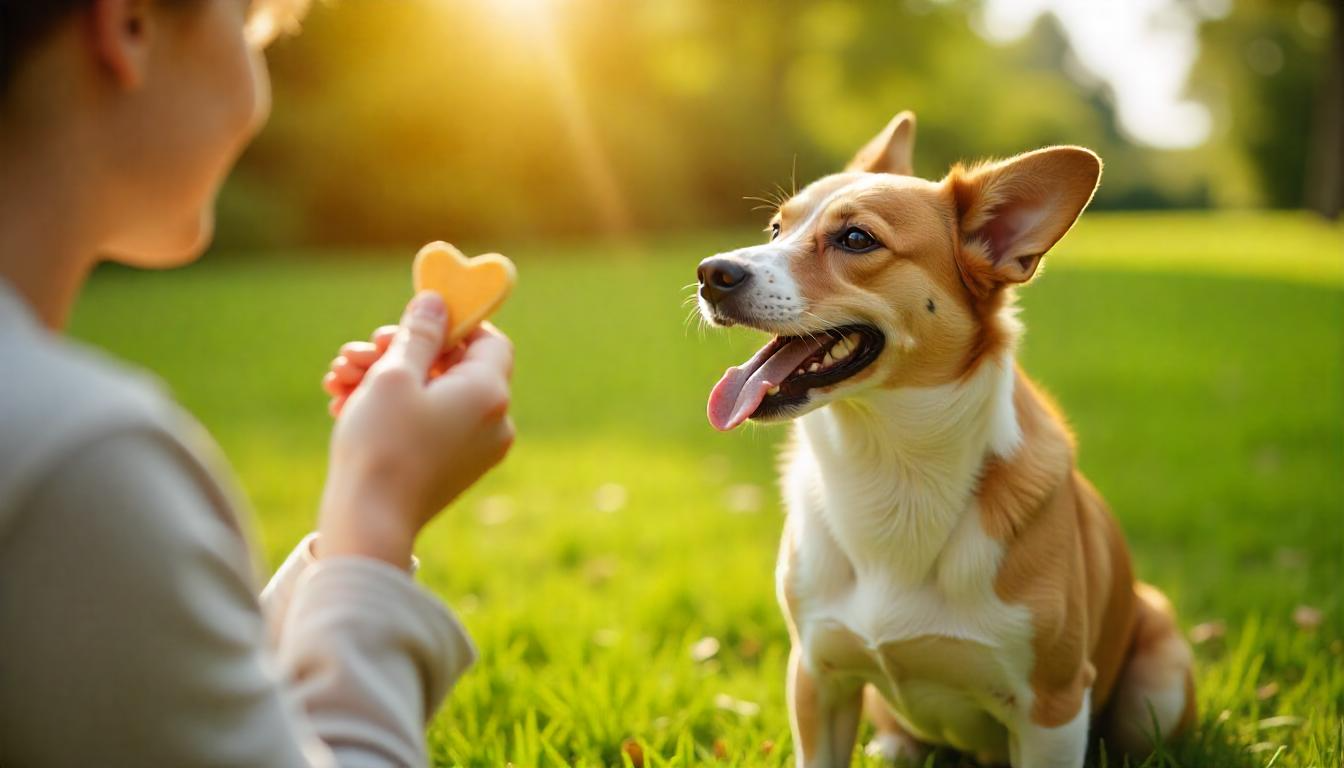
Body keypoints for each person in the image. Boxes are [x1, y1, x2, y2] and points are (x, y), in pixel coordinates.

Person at [0, 0, 515, 764]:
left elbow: (179, 704)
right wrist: (376, 513)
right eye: (251, 29)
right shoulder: (71, 461)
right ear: (130, 26)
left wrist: (338, 546)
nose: (258, 74)